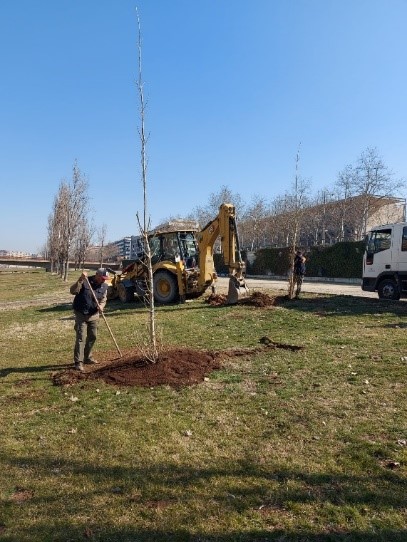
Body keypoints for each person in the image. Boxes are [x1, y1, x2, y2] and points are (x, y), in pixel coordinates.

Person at [70, 268, 109, 371]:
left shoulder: (104, 286)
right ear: (96, 275)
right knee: (81, 338)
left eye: (105, 279)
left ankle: (87, 357)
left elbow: (104, 299)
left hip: (94, 315)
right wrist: (80, 279)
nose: (103, 280)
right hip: (81, 313)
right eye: (102, 278)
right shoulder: (85, 281)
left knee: (93, 336)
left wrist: (101, 306)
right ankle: (78, 362)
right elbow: (73, 291)